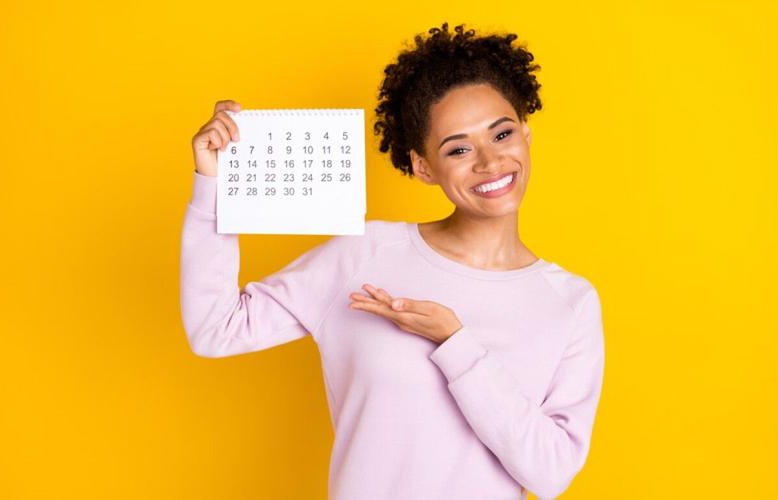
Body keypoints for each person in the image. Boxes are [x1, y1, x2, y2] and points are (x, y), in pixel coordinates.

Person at [181, 22, 605, 500]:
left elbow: (550, 474)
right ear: (423, 166)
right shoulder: (363, 255)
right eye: (459, 148)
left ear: (525, 135)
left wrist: (455, 343)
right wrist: (213, 184)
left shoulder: (570, 303)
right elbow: (215, 329)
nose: (489, 161)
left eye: (501, 134)